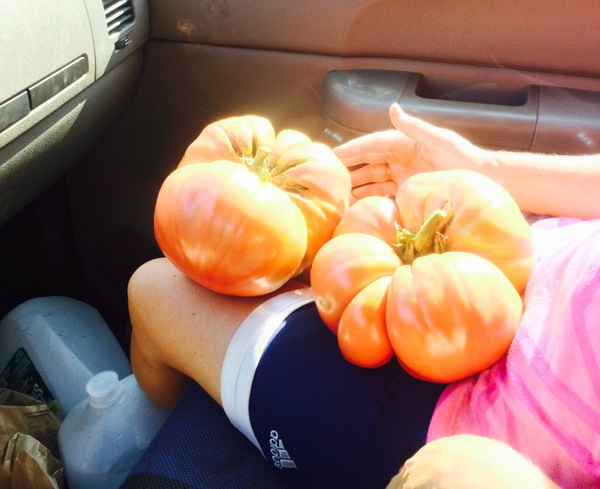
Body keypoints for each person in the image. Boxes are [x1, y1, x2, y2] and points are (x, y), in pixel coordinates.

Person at [128, 103, 600, 488]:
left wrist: (467, 474)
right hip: (495, 251)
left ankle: (142, 439)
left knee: (156, 291)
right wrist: (486, 169)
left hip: (464, 431)